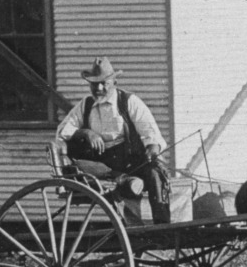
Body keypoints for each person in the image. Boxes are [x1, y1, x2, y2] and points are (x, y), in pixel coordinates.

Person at [54, 57, 173, 225]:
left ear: (114, 82)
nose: (99, 88)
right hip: (104, 166)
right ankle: (130, 221)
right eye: (94, 84)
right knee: (86, 167)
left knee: (155, 172)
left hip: (133, 162)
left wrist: (152, 149)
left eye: (104, 83)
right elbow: (62, 131)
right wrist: (86, 132)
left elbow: (151, 134)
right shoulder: (85, 105)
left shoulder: (129, 102)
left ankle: (162, 226)